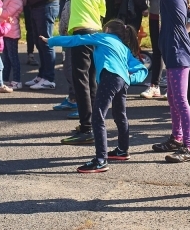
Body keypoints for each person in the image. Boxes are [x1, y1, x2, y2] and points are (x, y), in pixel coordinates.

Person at [115, 0, 190, 162]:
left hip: (179, 56)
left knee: (181, 100)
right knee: (172, 99)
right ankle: (176, 138)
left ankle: (189, 146)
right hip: (174, 53)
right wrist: (181, 30)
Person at [45, 20, 147, 173]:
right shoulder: (124, 48)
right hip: (123, 81)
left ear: (106, 29)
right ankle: (122, 150)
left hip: (109, 77)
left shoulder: (102, 37)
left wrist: (51, 40)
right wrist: (131, 79)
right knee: (120, 115)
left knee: (97, 117)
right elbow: (142, 69)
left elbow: (77, 40)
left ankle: (100, 160)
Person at [60, 0, 108, 145]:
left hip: (81, 32)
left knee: (80, 81)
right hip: (95, 33)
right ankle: (94, 124)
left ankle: (87, 127)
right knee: (92, 80)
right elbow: (102, 12)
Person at [53, 0, 79, 112]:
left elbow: (65, 20)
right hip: (69, 39)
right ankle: (72, 97)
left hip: (71, 38)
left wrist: (61, 33)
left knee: (71, 70)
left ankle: (77, 99)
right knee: (69, 68)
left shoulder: (74, 0)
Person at [0, 0, 26, 90]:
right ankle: (4, 79)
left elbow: (8, 13)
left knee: (13, 57)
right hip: (6, 31)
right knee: (6, 57)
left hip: (12, 33)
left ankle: (16, 80)